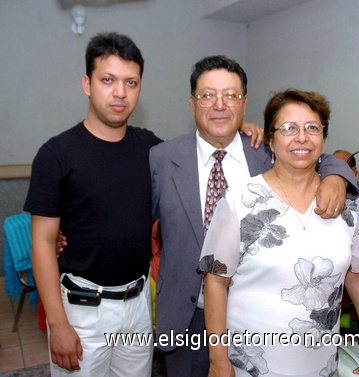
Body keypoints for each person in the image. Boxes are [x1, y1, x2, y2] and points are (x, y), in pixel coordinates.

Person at [23, 33, 263, 376]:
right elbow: (43, 243)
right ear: (87, 84)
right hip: (83, 307)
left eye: (130, 82)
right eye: (108, 80)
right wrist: (58, 324)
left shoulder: (151, 150)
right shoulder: (57, 154)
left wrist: (243, 129)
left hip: (137, 306)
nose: (120, 92)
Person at [150, 57, 359, 377]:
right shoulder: (161, 159)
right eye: (208, 95)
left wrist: (335, 176)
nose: (219, 105)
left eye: (231, 95)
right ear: (192, 104)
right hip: (186, 316)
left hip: (255, 327)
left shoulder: (266, 150)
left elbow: (318, 152)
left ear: (245, 102)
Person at [199, 89, 359, 377]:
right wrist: (218, 361)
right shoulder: (239, 200)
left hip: (319, 366)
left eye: (312, 128)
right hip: (249, 365)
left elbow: (358, 275)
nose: (301, 137)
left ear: (323, 138)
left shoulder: (346, 206)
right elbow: (215, 282)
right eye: (288, 128)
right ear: (271, 141)